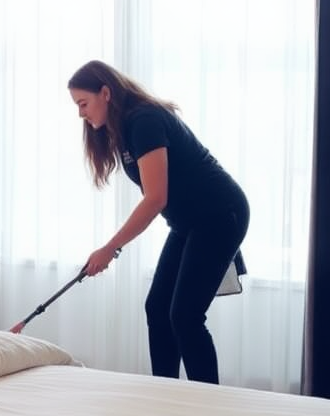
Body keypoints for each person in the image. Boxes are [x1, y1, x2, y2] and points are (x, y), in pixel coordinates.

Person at [68, 60, 249, 384]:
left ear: (105, 93)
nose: (81, 113)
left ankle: (208, 403)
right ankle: (163, 392)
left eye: (83, 103)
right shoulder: (124, 130)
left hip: (220, 214)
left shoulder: (144, 120)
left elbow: (155, 199)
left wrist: (110, 248)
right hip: (189, 222)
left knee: (185, 316)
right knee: (157, 308)